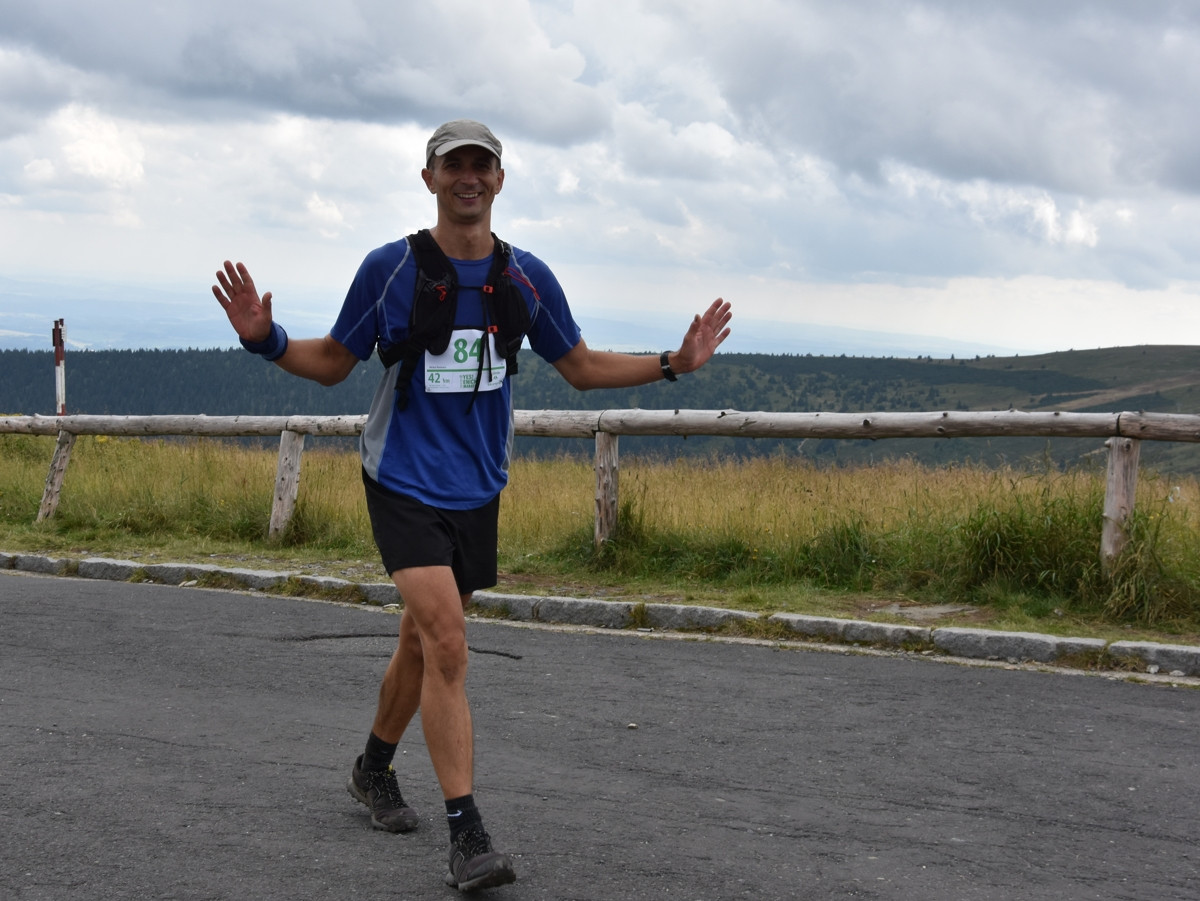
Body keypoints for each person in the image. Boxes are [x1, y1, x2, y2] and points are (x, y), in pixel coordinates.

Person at [212, 119, 732, 892]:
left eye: (481, 165)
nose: (468, 176)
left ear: (499, 180)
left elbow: (580, 366)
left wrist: (673, 362)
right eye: (453, 164)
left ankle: (372, 767)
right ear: (428, 178)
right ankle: (468, 835)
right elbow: (333, 362)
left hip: (479, 486)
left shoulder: (524, 277)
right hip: (401, 479)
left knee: (422, 640)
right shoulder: (391, 269)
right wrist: (267, 339)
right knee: (449, 643)